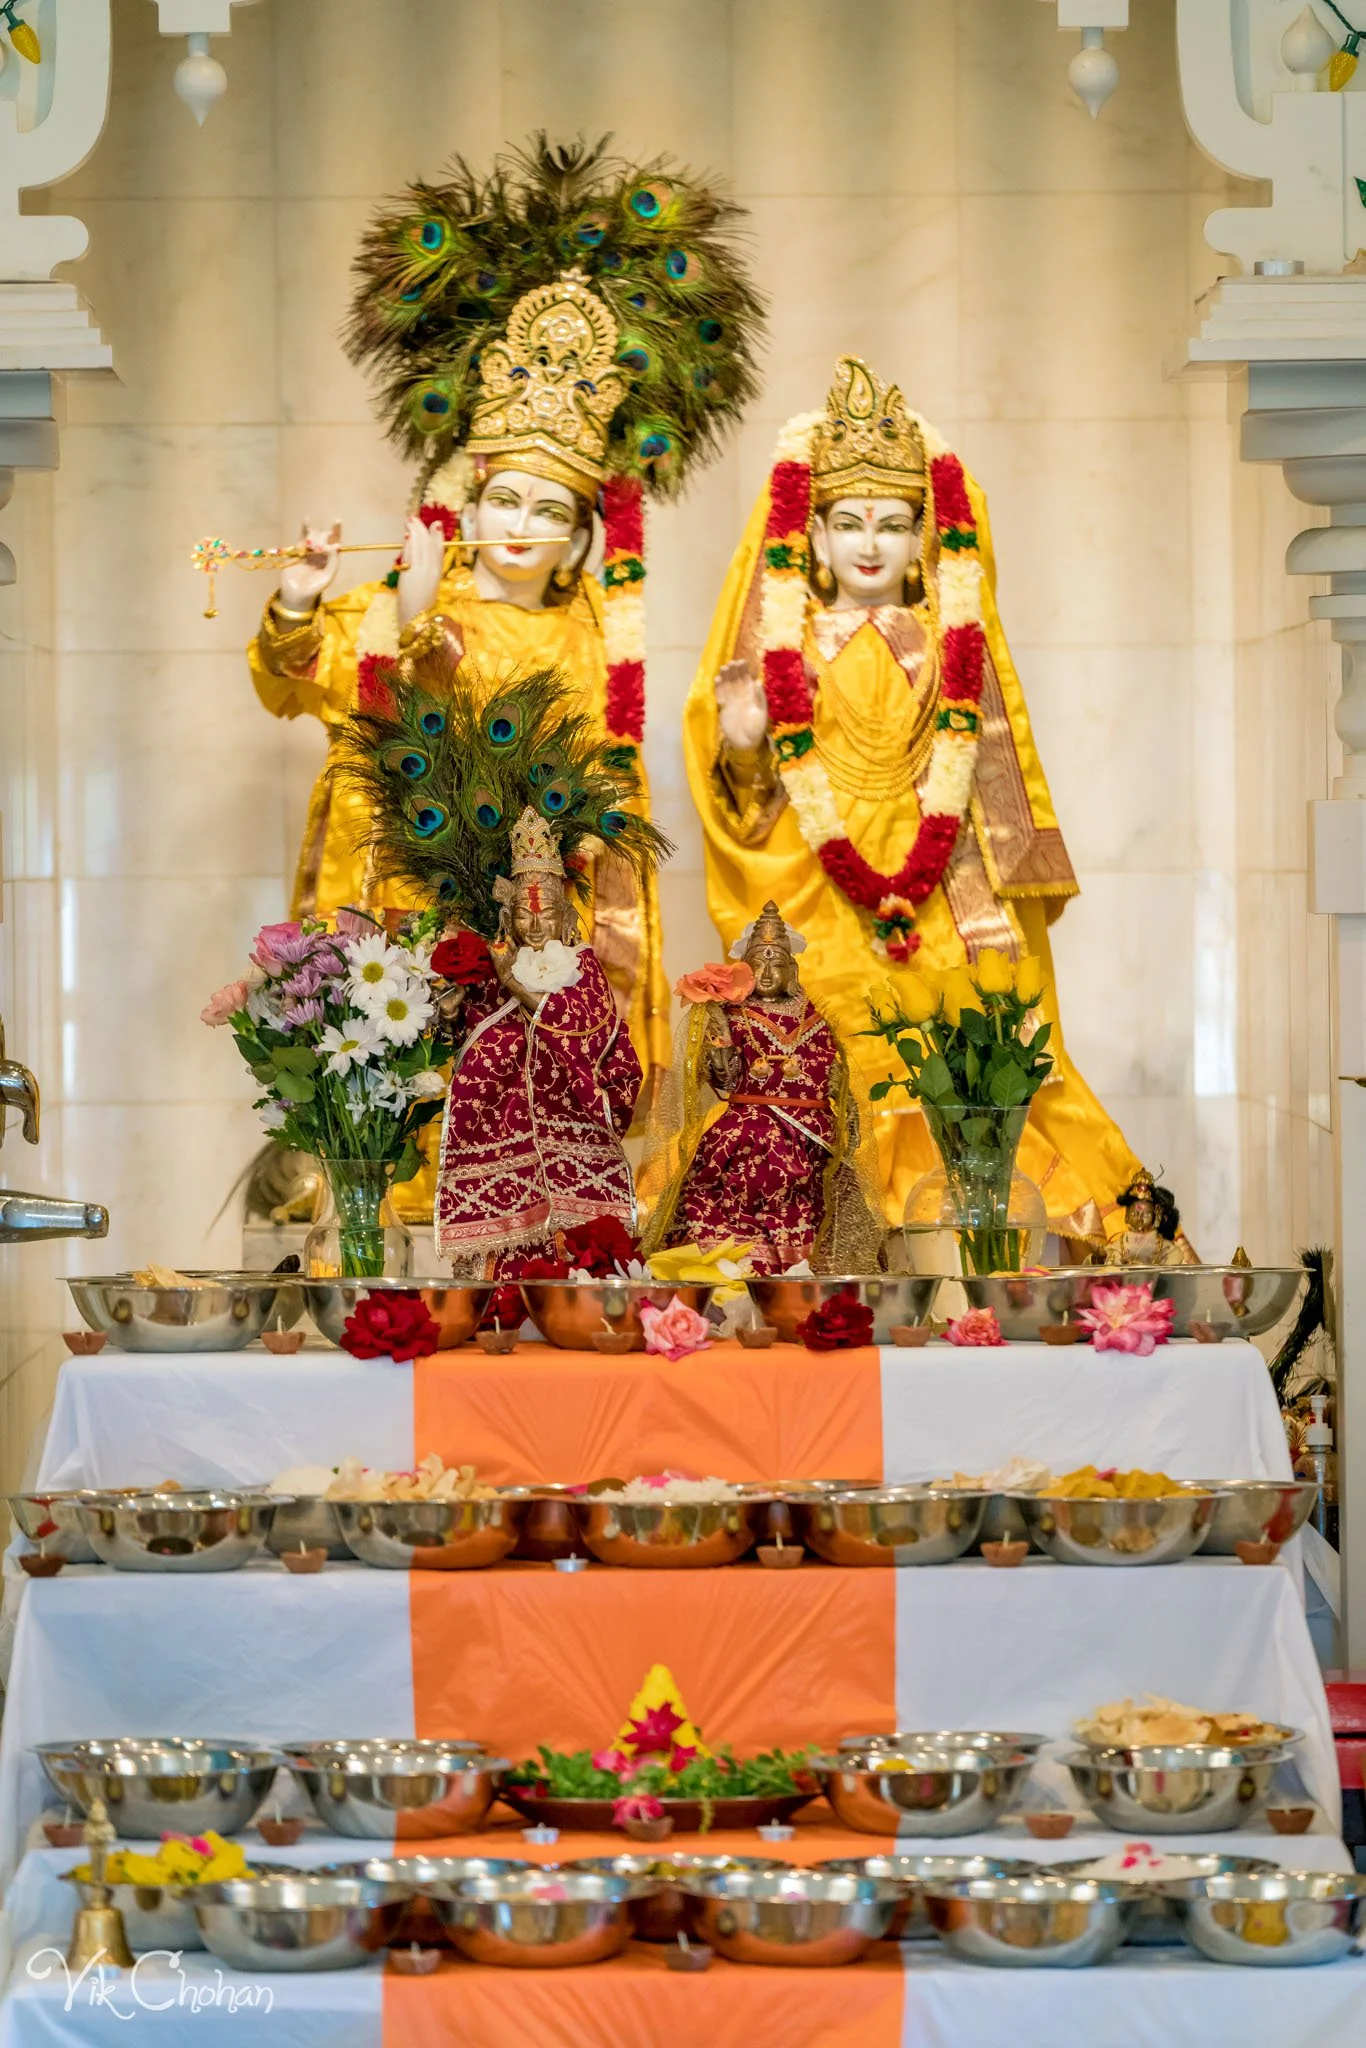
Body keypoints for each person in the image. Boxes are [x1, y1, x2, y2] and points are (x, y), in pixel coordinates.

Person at [682, 353, 1143, 1246]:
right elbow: (751, 802)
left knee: (961, 1070)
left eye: (892, 525)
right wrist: (742, 746)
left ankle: (966, 1258)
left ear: (922, 538)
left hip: (937, 903)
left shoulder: (947, 645)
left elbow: (977, 769)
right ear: (813, 541)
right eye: (847, 523)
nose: (869, 545)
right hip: (820, 898)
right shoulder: (788, 649)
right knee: (820, 1065)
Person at [434, 809, 641, 1273]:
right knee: (496, 1272)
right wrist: (449, 1014)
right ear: (506, 918)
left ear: (566, 918)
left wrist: (517, 985)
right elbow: (466, 1039)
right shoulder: (490, 971)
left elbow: (583, 1031)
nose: (534, 926)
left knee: (574, 1260)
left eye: (546, 914)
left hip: (571, 1131)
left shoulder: (583, 967)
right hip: (497, 1137)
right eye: (523, 915)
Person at [640, 901, 882, 1274]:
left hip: (812, 1141)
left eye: (777, 963)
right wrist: (720, 1052)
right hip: (744, 1136)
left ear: (793, 970)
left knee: (827, 1202)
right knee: (726, 1187)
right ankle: (734, 1271)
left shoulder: (816, 1019)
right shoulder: (732, 1015)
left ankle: (808, 1274)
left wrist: (841, 1095)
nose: (767, 972)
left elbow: (835, 1074)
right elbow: (721, 1080)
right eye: (759, 964)